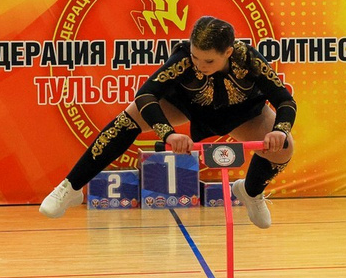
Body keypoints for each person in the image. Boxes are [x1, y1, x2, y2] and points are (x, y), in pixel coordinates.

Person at [39, 16, 295, 228]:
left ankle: (251, 192)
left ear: (228, 52)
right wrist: (168, 134)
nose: (199, 65)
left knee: (285, 148)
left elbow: (285, 100)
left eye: (208, 61)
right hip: (187, 105)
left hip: (243, 112)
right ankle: (71, 186)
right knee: (127, 119)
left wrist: (280, 131)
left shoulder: (249, 59)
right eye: (195, 57)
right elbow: (145, 95)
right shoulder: (183, 58)